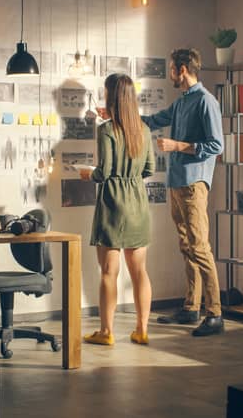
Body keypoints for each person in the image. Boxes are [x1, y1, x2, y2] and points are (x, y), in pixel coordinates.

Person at [141, 48, 225, 337]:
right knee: (186, 245)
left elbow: (217, 145)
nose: (169, 74)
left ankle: (215, 314)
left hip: (193, 184)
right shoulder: (181, 103)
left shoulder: (206, 101)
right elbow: (152, 121)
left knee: (200, 247)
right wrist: (118, 115)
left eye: (171, 69)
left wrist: (178, 146)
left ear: (182, 69)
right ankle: (191, 308)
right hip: (177, 184)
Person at [81, 73, 155, 346]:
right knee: (140, 273)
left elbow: (105, 172)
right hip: (137, 203)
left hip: (113, 204)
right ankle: (142, 329)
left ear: (110, 96)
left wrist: (88, 175)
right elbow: (150, 168)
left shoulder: (106, 130)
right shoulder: (144, 131)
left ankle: (107, 332)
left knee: (109, 273)